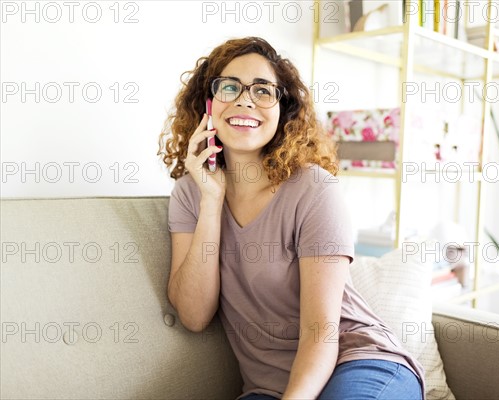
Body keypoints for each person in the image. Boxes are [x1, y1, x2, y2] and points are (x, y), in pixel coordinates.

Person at [158, 37, 425, 400]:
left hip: (355, 361)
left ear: (283, 109)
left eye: (263, 90)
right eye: (229, 86)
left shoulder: (314, 189)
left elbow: (321, 332)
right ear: (207, 103)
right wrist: (211, 201)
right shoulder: (190, 195)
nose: (245, 99)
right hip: (268, 387)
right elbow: (193, 315)